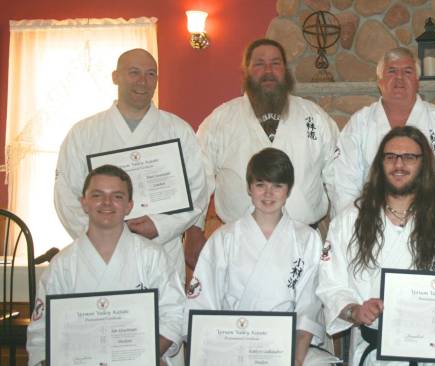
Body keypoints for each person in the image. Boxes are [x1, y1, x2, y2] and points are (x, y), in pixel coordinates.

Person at [317, 126, 435, 366]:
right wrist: (355, 310)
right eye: (390, 157)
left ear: (424, 165)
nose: (399, 164)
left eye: (409, 157)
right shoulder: (349, 222)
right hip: (376, 354)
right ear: (380, 165)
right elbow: (331, 287)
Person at [54, 48, 208, 280]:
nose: (143, 82)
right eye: (134, 72)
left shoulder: (178, 130)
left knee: (162, 314)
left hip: (162, 248)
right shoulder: (84, 133)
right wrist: (103, 233)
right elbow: (66, 193)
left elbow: (197, 190)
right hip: (100, 251)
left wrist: (160, 225)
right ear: (115, 77)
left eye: (150, 74)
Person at [188, 38, 339, 268]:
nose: (268, 71)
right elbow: (199, 176)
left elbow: (338, 177)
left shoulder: (314, 116)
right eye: (259, 64)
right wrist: (194, 229)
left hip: (303, 242)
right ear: (246, 71)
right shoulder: (221, 119)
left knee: (304, 304)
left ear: (286, 71)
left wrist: (343, 228)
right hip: (238, 244)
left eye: (275, 63)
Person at [28, 165, 185, 366]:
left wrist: (145, 357)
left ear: (129, 205)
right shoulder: (62, 265)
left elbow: (173, 316)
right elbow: (41, 333)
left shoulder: (153, 257)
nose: (107, 202)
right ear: (84, 203)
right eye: (97, 195)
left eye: (117, 196)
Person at [185, 148, 326, 366]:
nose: (268, 194)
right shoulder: (224, 238)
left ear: (288, 190)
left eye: (277, 186)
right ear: (249, 188)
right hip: (231, 344)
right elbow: (204, 303)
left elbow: (309, 305)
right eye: (261, 185)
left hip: (288, 344)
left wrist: (296, 358)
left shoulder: (307, 239)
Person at [331, 47, 435, 218]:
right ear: (380, 81)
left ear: (418, 81)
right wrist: (357, 226)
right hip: (373, 225)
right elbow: (344, 184)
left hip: (430, 224)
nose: (399, 78)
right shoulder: (360, 124)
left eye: (407, 72)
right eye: (391, 71)